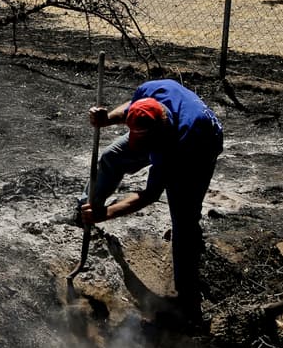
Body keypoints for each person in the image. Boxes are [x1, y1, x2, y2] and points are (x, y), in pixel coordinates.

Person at [80, 79, 223, 327]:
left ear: (158, 134)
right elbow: (132, 108)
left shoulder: (180, 143)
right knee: (112, 156)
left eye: (146, 146)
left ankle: (187, 305)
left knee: (184, 221)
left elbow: (149, 195)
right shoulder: (154, 91)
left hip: (200, 149)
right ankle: (85, 210)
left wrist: (109, 213)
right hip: (164, 130)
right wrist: (107, 119)